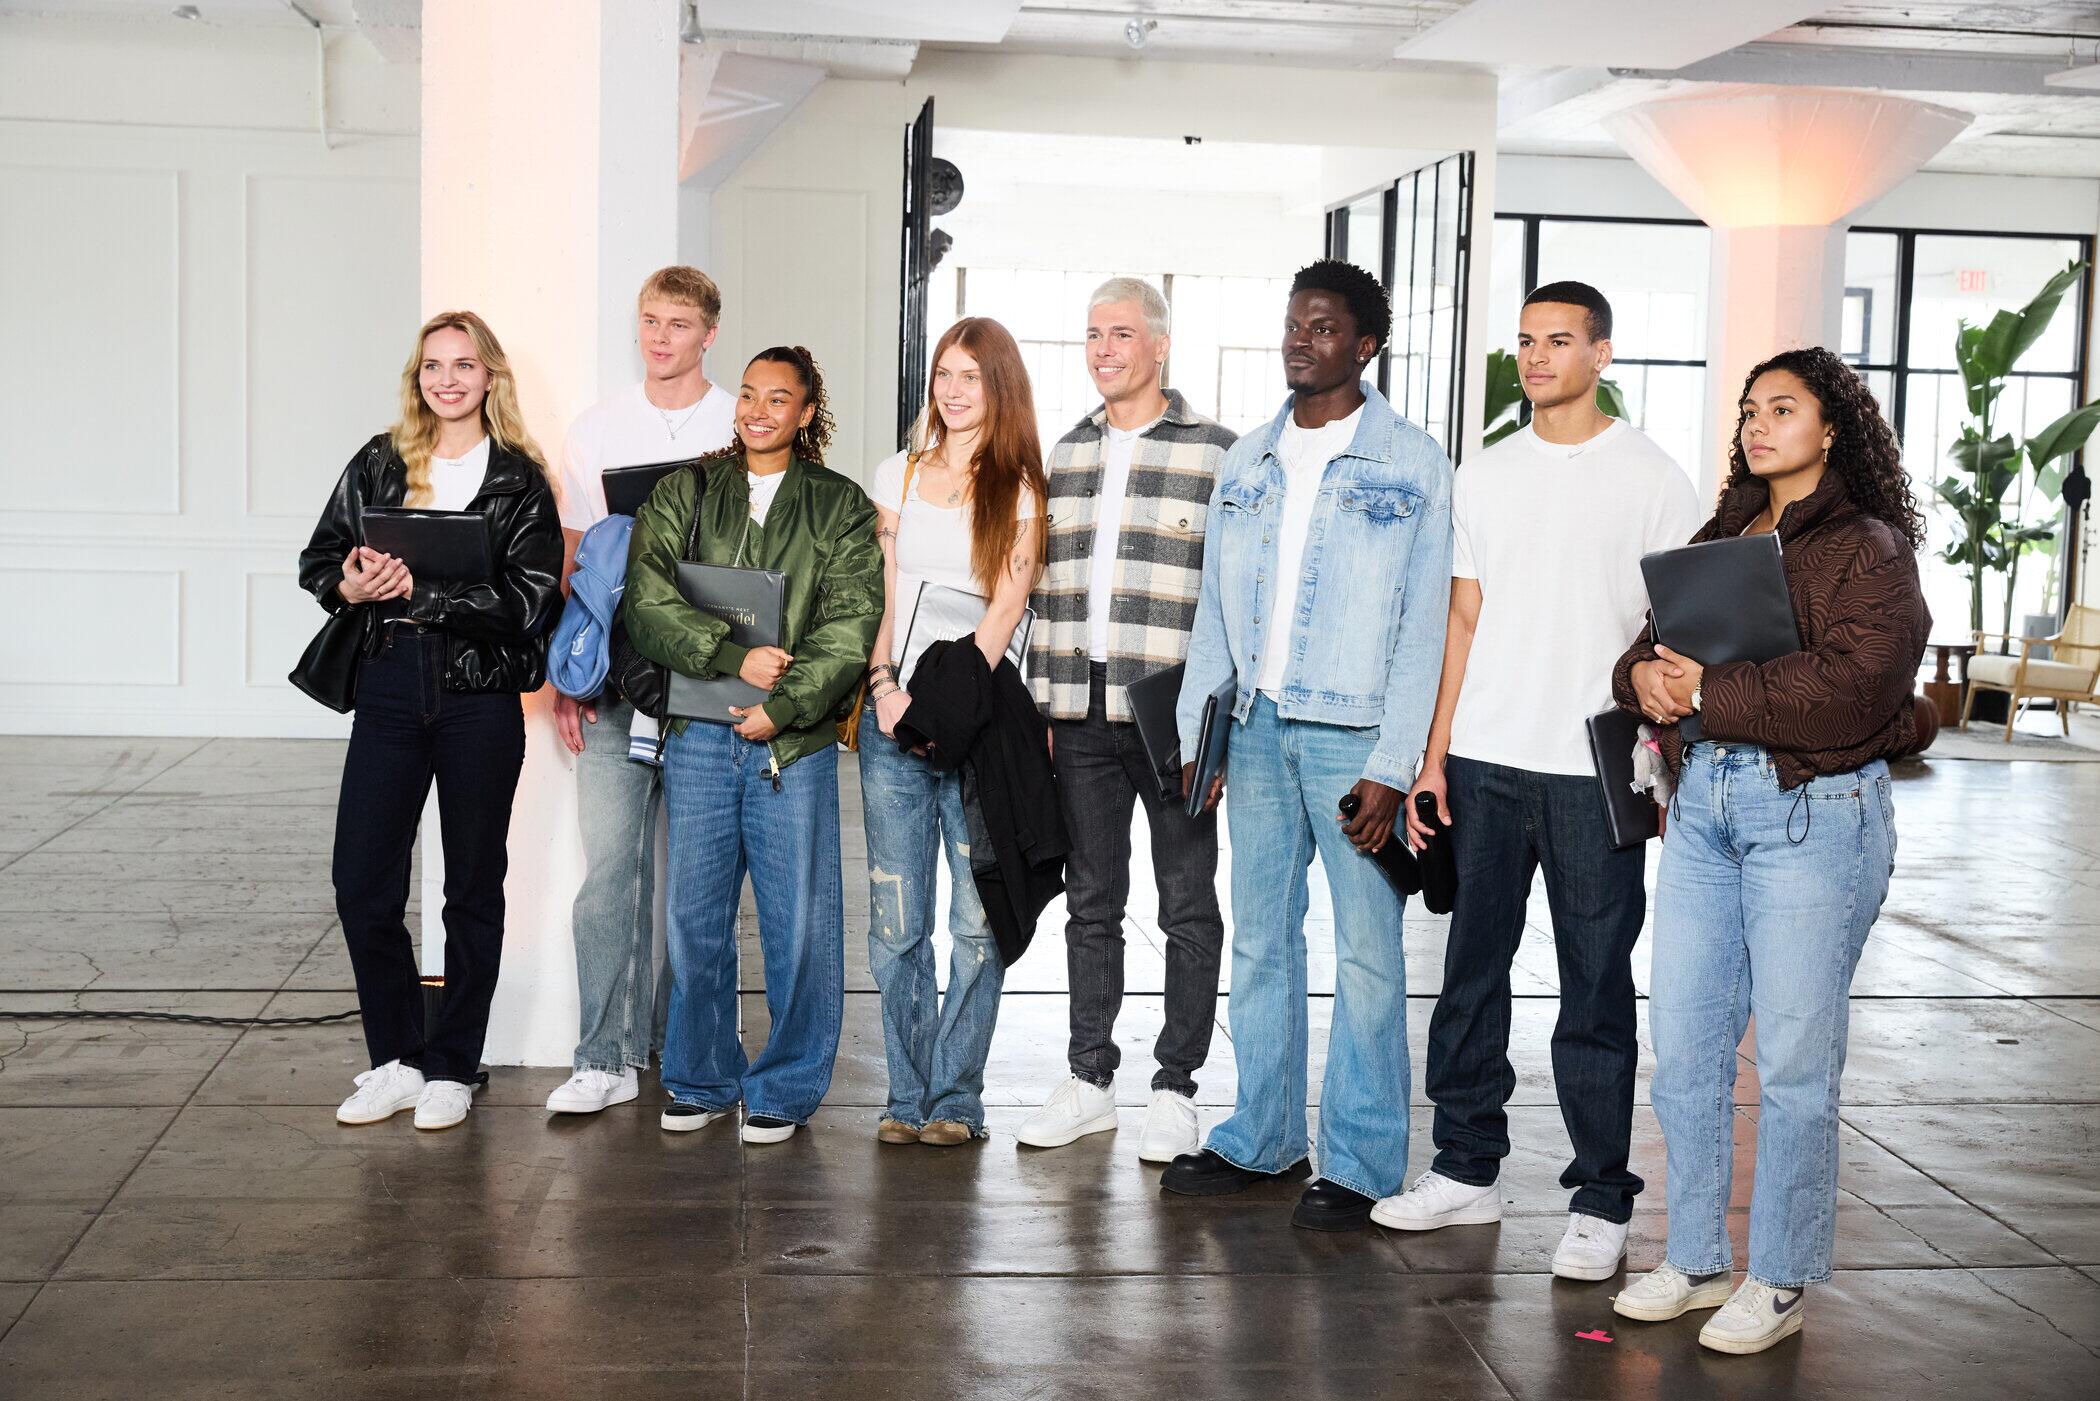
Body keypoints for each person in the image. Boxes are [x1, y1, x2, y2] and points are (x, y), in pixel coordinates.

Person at [1371, 283, 1702, 1278]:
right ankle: (1465, 1168)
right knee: (1469, 973)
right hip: (1484, 758)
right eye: (1525, 340)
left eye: (1559, 340)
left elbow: (1680, 629)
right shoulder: (1487, 473)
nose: (1536, 357)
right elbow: (1462, 619)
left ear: (1602, 353)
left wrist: (1666, 754)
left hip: (1597, 766)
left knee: (1596, 985)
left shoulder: (1654, 478)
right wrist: (1434, 757)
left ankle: (1601, 1199)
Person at [1609, 347, 1934, 1353]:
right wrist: (1641, 681)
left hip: (1814, 811)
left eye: (1782, 408)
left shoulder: (1868, 546)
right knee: (1686, 1049)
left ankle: (1781, 1277)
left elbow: (1857, 689)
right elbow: (1653, 645)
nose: (1758, 424)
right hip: (1703, 805)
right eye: (1750, 409)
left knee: (1793, 1064)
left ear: (1832, 428)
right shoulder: (1725, 533)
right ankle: (1696, 1256)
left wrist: (1708, 689)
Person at [1162, 261, 1452, 1231]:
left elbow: (1423, 625)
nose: (1301, 340)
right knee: (1261, 940)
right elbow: (1213, 611)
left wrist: (1392, 762)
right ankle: (1264, 1135)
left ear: (1365, 345)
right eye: (1294, 324)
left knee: (1367, 953)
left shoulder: (1412, 463)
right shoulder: (1248, 460)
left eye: (1323, 328)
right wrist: (1197, 734)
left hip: (1353, 737)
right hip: (1252, 731)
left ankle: (1361, 1163)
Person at [300, 310, 562, 1132]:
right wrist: (349, 585)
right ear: (418, 377)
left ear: (491, 376)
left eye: (464, 364)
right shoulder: (381, 461)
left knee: (471, 886)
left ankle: (452, 1065)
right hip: (388, 679)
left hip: (479, 694)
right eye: (433, 365)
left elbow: (530, 601)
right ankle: (397, 1057)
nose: (447, 379)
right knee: (361, 879)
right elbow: (320, 560)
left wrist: (425, 592)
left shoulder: (519, 480)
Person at [622, 346, 880, 1144]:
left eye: (778, 398)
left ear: (807, 412)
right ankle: (701, 1076)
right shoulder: (687, 489)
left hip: (789, 747)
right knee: (695, 920)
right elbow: (646, 599)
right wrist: (733, 659)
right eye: (748, 395)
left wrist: (786, 706)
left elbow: (851, 624)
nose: (758, 411)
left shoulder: (839, 504)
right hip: (698, 735)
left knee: (799, 924)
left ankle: (787, 1085)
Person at [1018, 277, 1235, 1163]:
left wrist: (1217, 723)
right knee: (1091, 903)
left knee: (1187, 904)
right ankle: (1089, 1079)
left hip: (1171, 715)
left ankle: (1176, 1086)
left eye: (1121, 334)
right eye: (1093, 335)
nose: (1104, 350)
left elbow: (1232, 600)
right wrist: (1041, 702)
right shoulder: (1065, 453)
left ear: (1160, 345)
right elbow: (1040, 589)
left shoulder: (1218, 453)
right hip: (1078, 710)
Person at [544, 266, 737, 1117]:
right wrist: (569, 674)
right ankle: (604, 1056)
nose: (661, 337)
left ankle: (682, 1048)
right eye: (651, 320)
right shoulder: (597, 428)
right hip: (619, 678)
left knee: (702, 879)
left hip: (710, 678)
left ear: (709, 333)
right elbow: (575, 560)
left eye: (679, 323)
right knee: (611, 871)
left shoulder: (738, 422)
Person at [861, 316, 1047, 1147]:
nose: (954, 389)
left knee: (975, 924)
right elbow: (882, 595)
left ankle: (956, 1098)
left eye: (972, 375)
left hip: (975, 726)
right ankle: (906, 1095)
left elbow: (1004, 613)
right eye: (944, 372)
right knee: (896, 922)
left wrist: (941, 713)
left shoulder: (1020, 489)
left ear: (999, 386)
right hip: (890, 720)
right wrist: (884, 689)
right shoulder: (896, 474)